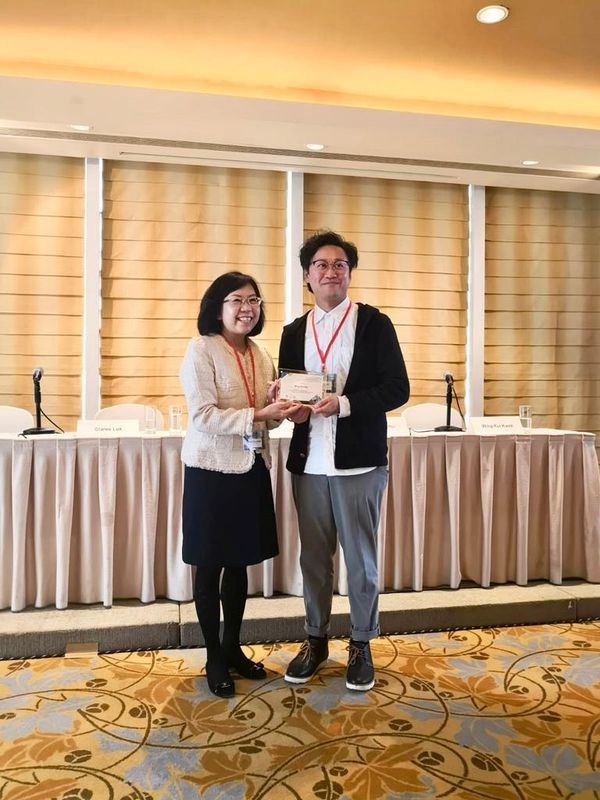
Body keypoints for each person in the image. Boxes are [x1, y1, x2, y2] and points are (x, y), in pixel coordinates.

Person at [278, 230, 409, 691]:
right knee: (314, 561)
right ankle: (315, 639)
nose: (330, 271)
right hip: (309, 463)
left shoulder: (374, 324)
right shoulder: (293, 332)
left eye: (340, 264)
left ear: (350, 273)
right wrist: (291, 409)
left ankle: (361, 642)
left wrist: (345, 404)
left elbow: (397, 389)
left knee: (361, 560)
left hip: (359, 465)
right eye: (321, 264)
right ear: (307, 276)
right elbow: (291, 392)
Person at [180, 272, 299, 698]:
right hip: (211, 470)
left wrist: (284, 408)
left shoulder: (260, 353)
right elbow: (203, 416)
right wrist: (262, 414)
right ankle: (213, 655)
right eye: (236, 300)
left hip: (251, 467)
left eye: (254, 300)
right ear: (218, 308)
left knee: (239, 564)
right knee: (209, 565)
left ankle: (232, 646)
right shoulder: (201, 349)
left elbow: (265, 416)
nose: (247, 308)